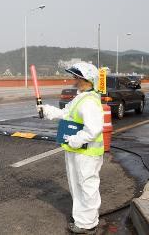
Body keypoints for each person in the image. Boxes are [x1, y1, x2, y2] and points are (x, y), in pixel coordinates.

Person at [38, 62, 104, 234]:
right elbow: (66, 113)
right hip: (77, 151)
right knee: (77, 186)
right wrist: (47, 110)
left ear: (88, 80)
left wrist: (75, 139)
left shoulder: (89, 101)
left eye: (77, 78)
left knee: (87, 187)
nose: (74, 81)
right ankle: (83, 219)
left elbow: (94, 129)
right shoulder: (81, 97)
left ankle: (87, 224)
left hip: (86, 153)